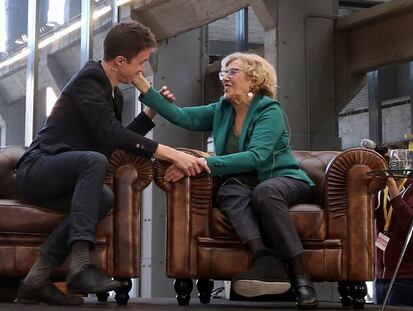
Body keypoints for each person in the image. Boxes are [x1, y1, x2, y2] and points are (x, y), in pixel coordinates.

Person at [15, 21, 209, 306]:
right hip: (38, 169)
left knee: (103, 196)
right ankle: (81, 266)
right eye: (141, 63)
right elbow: (110, 134)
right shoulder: (89, 78)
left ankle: (35, 280)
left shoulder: (112, 91)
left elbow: (114, 139)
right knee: (93, 161)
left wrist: (149, 114)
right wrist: (170, 153)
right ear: (120, 61)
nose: (143, 70)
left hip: (67, 175)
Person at [132, 52, 319, 309]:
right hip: (244, 182)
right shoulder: (222, 109)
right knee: (229, 191)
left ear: (254, 80)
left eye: (233, 72)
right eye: (224, 72)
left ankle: (302, 280)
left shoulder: (269, 111)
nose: (225, 78)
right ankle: (264, 259)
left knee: (265, 192)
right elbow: (181, 116)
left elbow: (257, 156)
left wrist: (201, 163)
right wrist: (143, 85)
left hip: (282, 179)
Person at [372, 143, 413, 307]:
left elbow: (410, 224)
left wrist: (394, 190)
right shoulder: (381, 191)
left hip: (407, 276)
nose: (387, 166)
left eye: (391, 160)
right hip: (382, 275)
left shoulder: (410, 186)